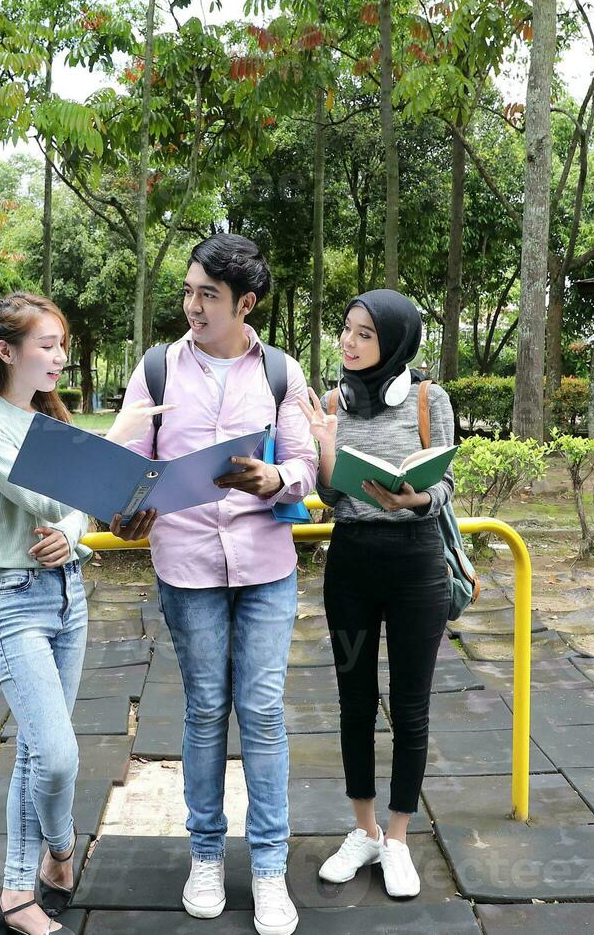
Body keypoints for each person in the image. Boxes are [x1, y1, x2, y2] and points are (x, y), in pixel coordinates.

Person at [0, 292, 163, 934]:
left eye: (62, 346)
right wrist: (116, 443)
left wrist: (74, 534)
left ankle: (21, 892)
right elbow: (45, 497)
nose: (61, 359)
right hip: (15, 603)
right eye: (48, 346)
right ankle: (60, 849)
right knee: (57, 754)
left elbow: (71, 514)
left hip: (68, 598)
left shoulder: (49, 425)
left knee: (41, 751)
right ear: (7, 352)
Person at [114, 234, 317, 935]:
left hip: (265, 563)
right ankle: (205, 854)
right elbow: (126, 458)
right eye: (188, 291)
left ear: (246, 304)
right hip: (188, 562)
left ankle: (267, 868)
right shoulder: (157, 370)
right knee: (204, 709)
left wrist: (278, 479)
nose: (193, 306)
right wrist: (127, 505)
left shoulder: (281, 372)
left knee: (260, 712)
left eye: (209, 295)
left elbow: (303, 463)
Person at [296, 289, 455, 900]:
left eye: (364, 334)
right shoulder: (332, 401)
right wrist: (325, 438)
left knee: (411, 706)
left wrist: (418, 498)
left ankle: (398, 838)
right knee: (355, 701)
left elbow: (444, 487)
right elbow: (335, 499)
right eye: (346, 330)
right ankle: (362, 831)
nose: (349, 342)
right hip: (353, 563)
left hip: (417, 566)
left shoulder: (426, 399)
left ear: (393, 342)